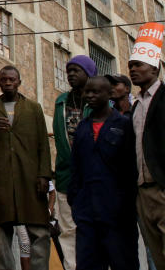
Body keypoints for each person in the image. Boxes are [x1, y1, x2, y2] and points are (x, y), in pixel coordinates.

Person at [0, 66, 53, 270]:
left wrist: (44, 175)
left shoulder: (33, 108)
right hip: (3, 179)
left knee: (39, 228)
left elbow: (43, 143)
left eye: (12, 79)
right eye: (4, 79)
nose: (7, 83)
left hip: (30, 177)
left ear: (19, 82)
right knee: (3, 230)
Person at [67, 76, 138, 270]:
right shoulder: (82, 128)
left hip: (118, 215)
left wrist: (127, 204)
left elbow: (131, 168)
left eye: (95, 92)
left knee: (123, 263)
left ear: (108, 95)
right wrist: (76, 202)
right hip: (87, 214)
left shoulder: (123, 125)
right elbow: (76, 168)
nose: (89, 96)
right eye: (87, 91)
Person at [128, 27, 165, 269]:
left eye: (138, 65)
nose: (133, 70)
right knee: (159, 258)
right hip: (143, 194)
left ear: (154, 68)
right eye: (131, 65)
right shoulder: (135, 107)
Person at [53, 54, 97, 270]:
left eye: (76, 70)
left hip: (93, 178)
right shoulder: (61, 101)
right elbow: (60, 140)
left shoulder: (99, 102)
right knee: (68, 231)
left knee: (93, 228)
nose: (70, 74)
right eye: (68, 70)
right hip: (66, 178)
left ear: (89, 74)